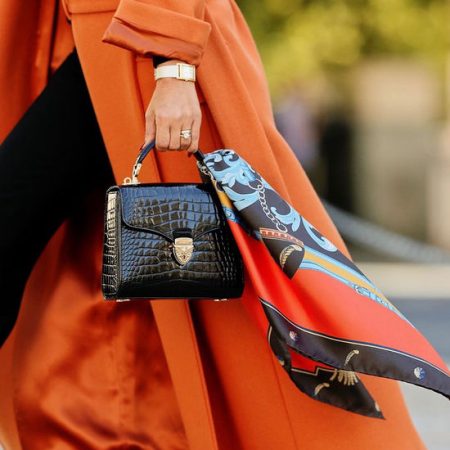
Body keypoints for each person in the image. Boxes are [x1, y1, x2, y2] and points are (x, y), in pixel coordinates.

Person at [0, 1, 426, 448]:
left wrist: (175, 64)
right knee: (103, 296)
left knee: (220, 292)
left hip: (141, 44)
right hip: (83, 43)